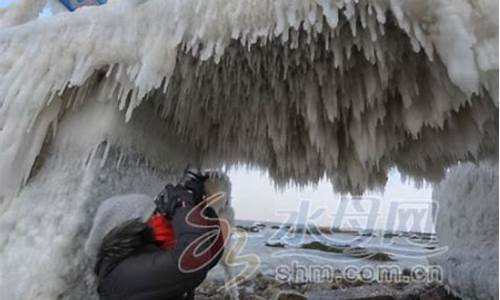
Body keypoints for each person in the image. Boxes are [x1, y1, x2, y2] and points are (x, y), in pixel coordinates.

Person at [85, 171, 224, 300]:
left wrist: (199, 208)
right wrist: (182, 205)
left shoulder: (138, 259)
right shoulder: (120, 274)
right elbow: (192, 261)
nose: (164, 220)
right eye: (154, 215)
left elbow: (209, 255)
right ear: (129, 226)